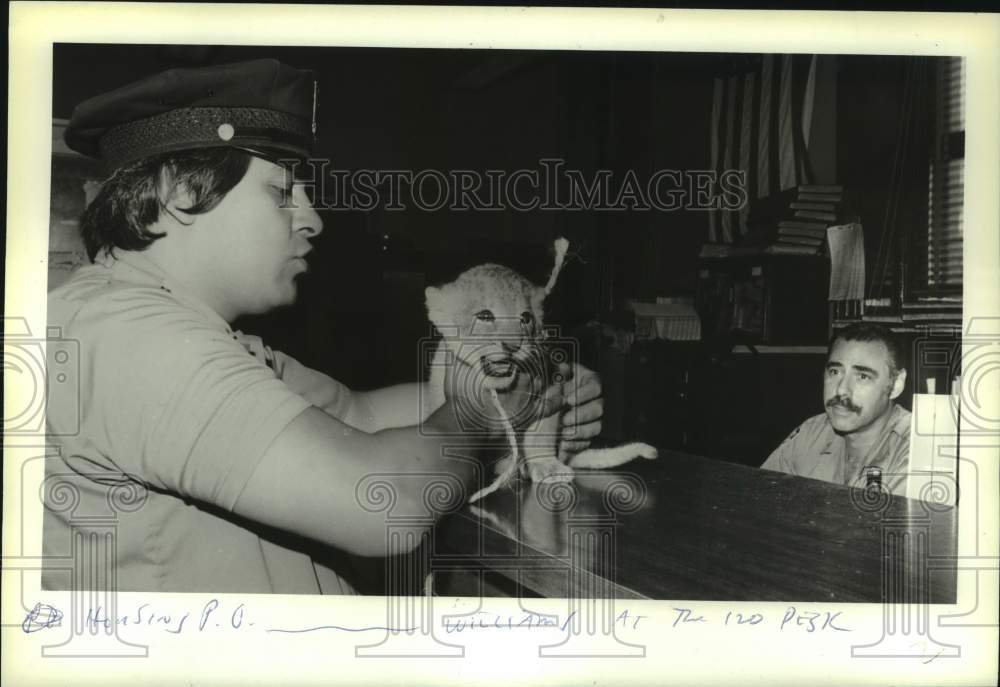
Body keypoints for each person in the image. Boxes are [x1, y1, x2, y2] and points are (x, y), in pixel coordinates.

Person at [43, 58, 603, 594]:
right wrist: (484, 414)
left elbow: (357, 413)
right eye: (283, 191)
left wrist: (526, 394)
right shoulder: (127, 336)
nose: (312, 218)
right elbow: (383, 502)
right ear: (180, 190)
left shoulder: (193, 334)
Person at [761, 323, 911, 496]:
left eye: (863, 376)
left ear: (895, 385)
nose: (841, 390)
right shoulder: (812, 432)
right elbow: (760, 496)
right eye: (834, 372)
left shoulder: (917, 447)